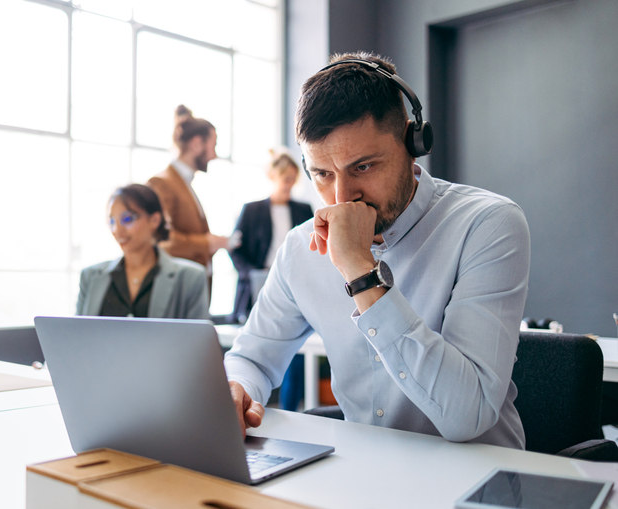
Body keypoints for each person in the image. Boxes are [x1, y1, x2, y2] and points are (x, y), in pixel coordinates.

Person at [224, 52, 531, 448]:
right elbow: (252, 358)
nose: (342, 196)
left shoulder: (487, 224)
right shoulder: (300, 248)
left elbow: (466, 417)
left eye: (363, 167)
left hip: (478, 484)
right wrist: (238, 387)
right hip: (363, 478)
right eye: (322, 174)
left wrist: (361, 272)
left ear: (412, 142)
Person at [229, 148, 314, 411]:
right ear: (272, 177)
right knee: (257, 348)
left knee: (298, 351)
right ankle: (256, 403)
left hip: (294, 281)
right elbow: (236, 248)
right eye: (284, 178)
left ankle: (290, 409)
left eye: (292, 178)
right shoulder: (252, 210)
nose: (289, 183)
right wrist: (250, 275)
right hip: (257, 282)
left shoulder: (303, 209)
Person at [77, 183, 210, 320]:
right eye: (112, 221)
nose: (117, 230)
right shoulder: (90, 277)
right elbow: (77, 334)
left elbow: (197, 339)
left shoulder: (190, 278)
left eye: (127, 219)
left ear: (154, 220)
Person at [147, 105, 232, 299]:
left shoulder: (184, 184)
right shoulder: (162, 183)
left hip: (191, 289)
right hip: (176, 292)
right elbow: (161, 238)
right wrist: (208, 243)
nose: (214, 154)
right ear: (196, 144)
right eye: (213, 145)